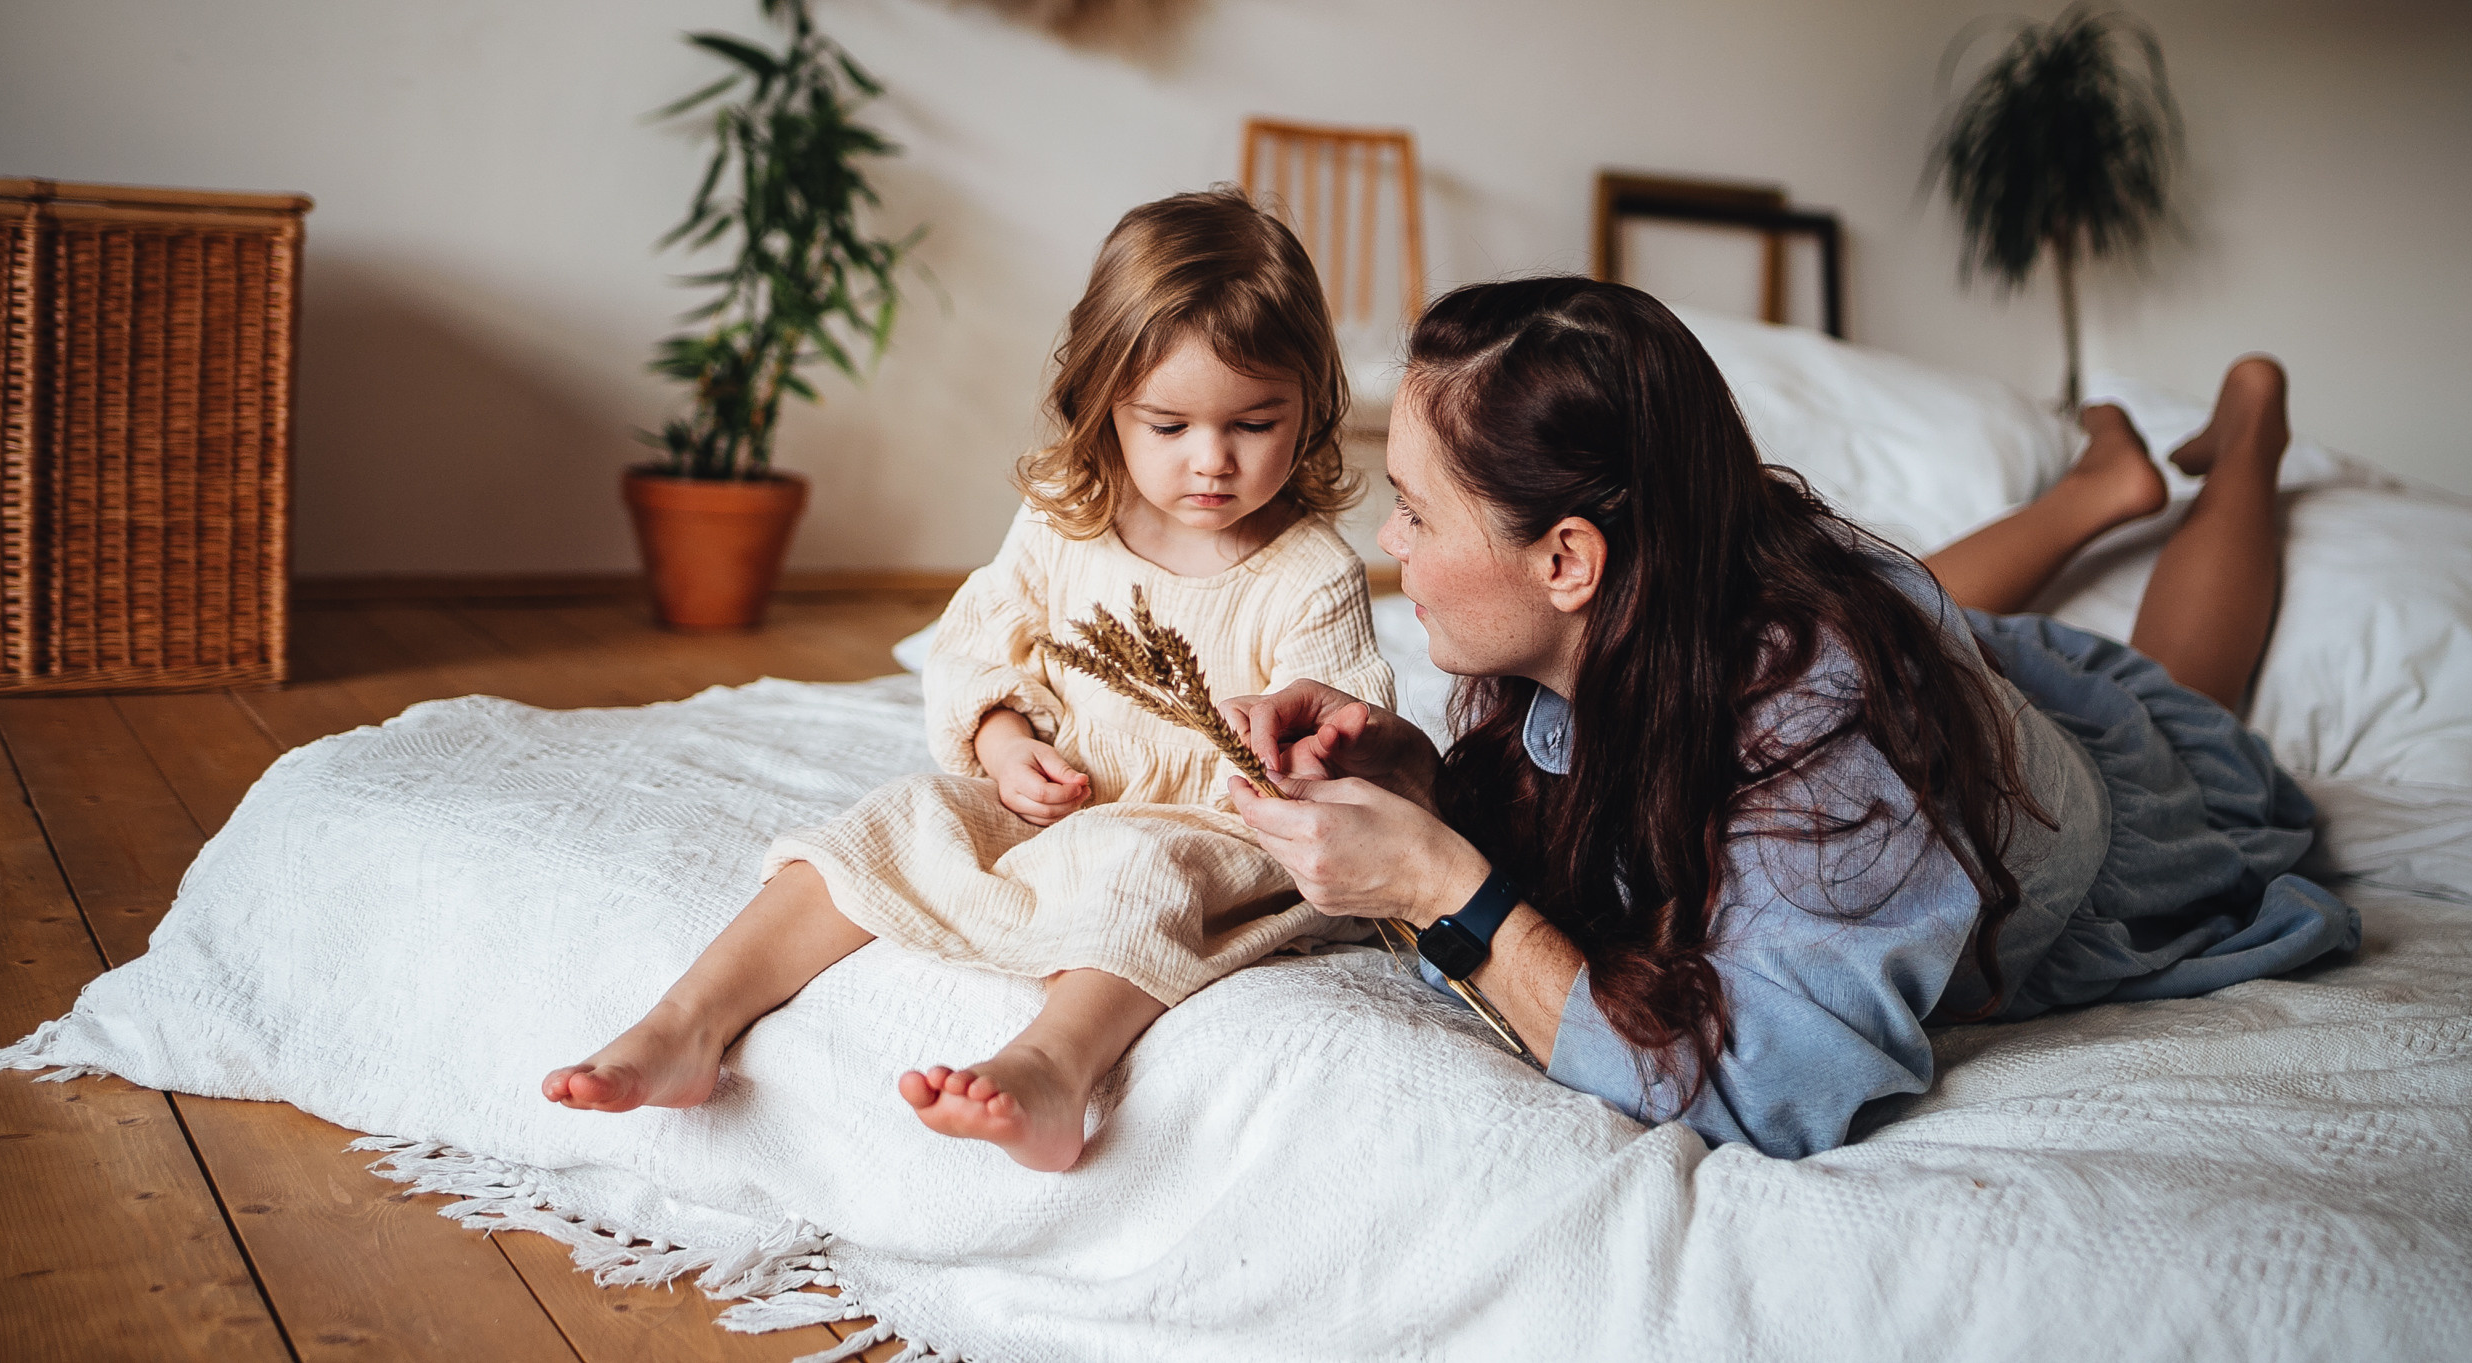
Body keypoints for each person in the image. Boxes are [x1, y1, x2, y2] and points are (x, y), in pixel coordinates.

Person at [1226, 277, 2358, 1160]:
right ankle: (2099, 487)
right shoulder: (1657, 584)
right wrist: (1420, 779)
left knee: (2176, 683)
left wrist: (1443, 887)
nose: (1391, 545)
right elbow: (1588, 816)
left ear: (1569, 558)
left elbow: (1761, 1083)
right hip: (1901, 664)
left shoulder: (1832, 743)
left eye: (1416, 511)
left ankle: (2250, 428)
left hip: (2063, 788)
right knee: (1920, 608)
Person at [544, 190, 1393, 1171]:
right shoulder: (1062, 520)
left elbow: (1345, 724)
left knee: (1139, 870)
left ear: (1311, 406)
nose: (1212, 460)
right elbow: (975, 647)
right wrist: (1004, 742)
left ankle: (1048, 1070)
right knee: (895, 815)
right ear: (1102, 401)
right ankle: (687, 1022)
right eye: (1168, 424)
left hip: (1209, 829)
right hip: (1054, 804)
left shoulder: (1311, 570)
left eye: (1255, 421)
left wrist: (1303, 734)